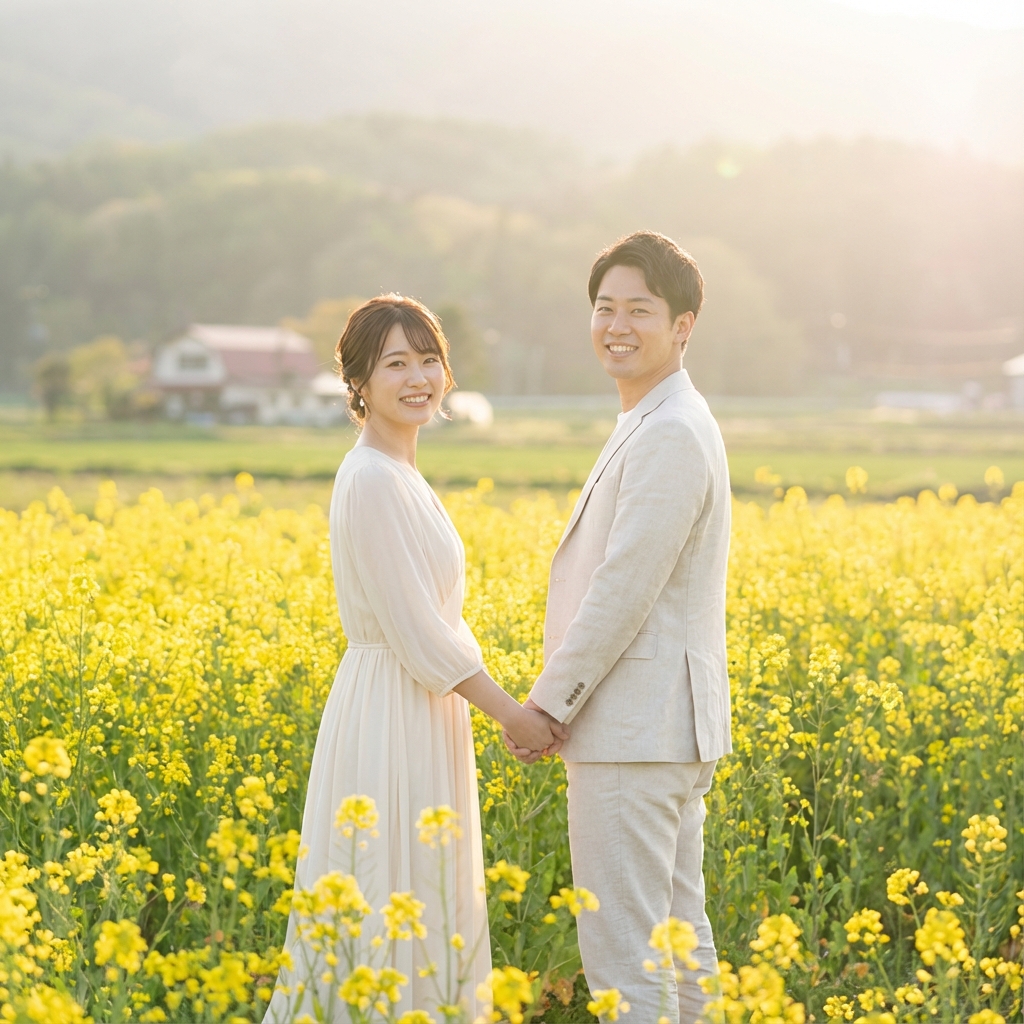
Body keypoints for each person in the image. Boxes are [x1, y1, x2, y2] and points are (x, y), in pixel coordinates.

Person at [265, 294, 566, 1022]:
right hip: (392, 707)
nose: (418, 376)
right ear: (358, 383)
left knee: (418, 894)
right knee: (388, 894)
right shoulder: (370, 477)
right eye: (395, 363)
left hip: (418, 706)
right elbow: (417, 631)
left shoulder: (397, 474)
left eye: (428, 359)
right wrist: (514, 716)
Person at [505, 231, 732, 1024]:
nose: (617, 325)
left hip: (636, 731)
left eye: (640, 309)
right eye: (605, 308)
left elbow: (624, 588)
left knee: (628, 959)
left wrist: (549, 704)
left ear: (684, 325)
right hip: (658, 728)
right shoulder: (657, 416)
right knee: (676, 945)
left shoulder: (670, 428)